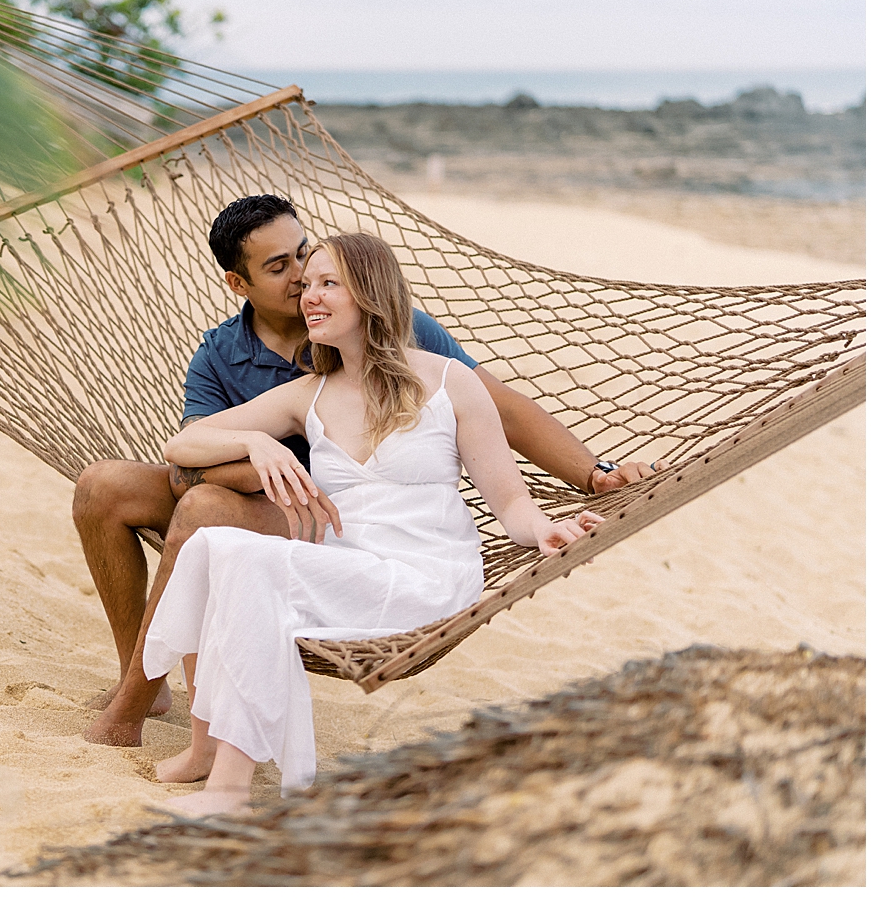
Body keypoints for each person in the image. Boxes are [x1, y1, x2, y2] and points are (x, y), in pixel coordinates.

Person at [75, 195, 662, 745]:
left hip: (333, 516)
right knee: (102, 487)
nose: (304, 276)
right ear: (239, 283)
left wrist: (592, 473)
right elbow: (186, 467)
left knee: (201, 513)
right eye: (281, 267)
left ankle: (130, 705)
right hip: (258, 488)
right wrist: (259, 446)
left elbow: (497, 407)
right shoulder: (221, 355)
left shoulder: (386, 324)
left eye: (306, 253)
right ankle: (143, 678)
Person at [144, 232, 603, 815]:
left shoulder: (447, 381)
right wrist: (256, 441)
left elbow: (508, 500)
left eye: (327, 284)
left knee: (244, 561)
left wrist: (542, 529)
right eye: (307, 285)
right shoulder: (307, 394)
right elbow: (181, 442)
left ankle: (228, 789)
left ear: (369, 293)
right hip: (348, 566)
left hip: (425, 576)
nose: (309, 296)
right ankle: (213, 759)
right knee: (220, 548)